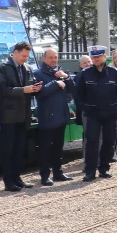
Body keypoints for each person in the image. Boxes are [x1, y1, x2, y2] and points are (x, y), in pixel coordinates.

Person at [0, 41, 41, 192]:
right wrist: (23, 90)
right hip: (8, 116)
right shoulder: (2, 68)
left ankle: (17, 178)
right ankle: (8, 181)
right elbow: (2, 90)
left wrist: (36, 88)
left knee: (19, 149)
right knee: (8, 149)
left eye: (27, 56)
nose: (25, 59)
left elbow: (30, 85)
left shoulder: (27, 68)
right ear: (15, 52)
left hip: (23, 115)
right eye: (23, 56)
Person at [74, 46, 117, 181]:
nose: (96, 59)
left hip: (110, 113)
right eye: (94, 57)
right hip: (93, 114)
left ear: (104, 57)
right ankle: (90, 172)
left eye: (98, 57)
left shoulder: (114, 73)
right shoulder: (85, 74)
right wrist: (86, 108)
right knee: (92, 143)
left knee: (109, 142)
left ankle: (104, 168)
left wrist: (115, 106)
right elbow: (78, 95)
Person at [33, 48, 74, 185]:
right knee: (45, 148)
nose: (53, 60)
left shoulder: (60, 72)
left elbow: (73, 89)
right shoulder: (38, 74)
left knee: (58, 147)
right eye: (50, 57)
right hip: (47, 118)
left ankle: (58, 173)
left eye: (55, 57)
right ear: (44, 58)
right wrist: (55, 83)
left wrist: (66, 77)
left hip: (61, 116)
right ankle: (45, 176)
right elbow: (40, 93)